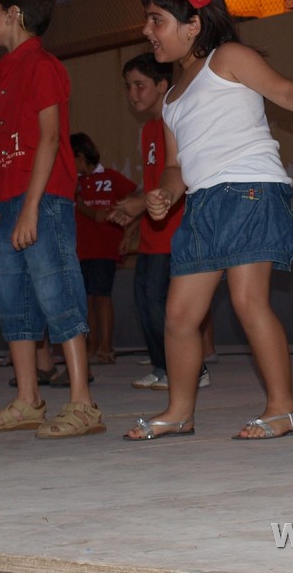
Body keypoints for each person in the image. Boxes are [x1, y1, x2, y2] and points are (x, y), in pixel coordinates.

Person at [124, 0, 293, 440]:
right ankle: (180, 411)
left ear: (192, 25)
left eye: (156, 20)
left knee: (249, 302)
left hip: (250, 191)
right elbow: (177, 165)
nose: (147, 31)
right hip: (203, 203)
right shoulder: (170, 99)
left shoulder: (227, 57)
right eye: (147, 21)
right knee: (180, 315)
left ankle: (283, 408)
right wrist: (164, 193)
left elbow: (286, 91)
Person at [0, 0, 106, 438]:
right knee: (15, 300)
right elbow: (11, 147)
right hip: (14, 201)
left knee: (57, 292)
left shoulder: (42, 65)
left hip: (43, 200)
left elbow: (49, 138)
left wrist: (30, 207)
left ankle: (83, 403)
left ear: (13, 15)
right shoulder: (6, 73)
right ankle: (29, 399)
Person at [109, 54, 185, 389]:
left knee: (162, 304)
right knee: (144, 300)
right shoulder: (148, 130)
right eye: (128, 87)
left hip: (175, 231)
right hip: (152, 234)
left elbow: (180, 177)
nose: (133, 93)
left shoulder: (176, 120)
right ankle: (162, 367)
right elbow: (154, 181)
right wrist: (135, 215)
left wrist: (142, 203)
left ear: (162, 85)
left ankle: (185, 370)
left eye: (140, 85)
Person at [71, 131, 137, 368]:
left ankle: (106, 347)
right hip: (80, 249)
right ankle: (90, 347)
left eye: (72, 158)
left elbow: (135, 199)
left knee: (102, 296)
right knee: (86, 299)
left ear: (80, 155)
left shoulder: (110, 177)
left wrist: (128, 234)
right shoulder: (74, 182)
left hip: (103, 247)